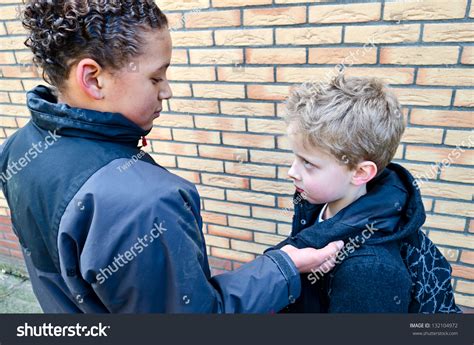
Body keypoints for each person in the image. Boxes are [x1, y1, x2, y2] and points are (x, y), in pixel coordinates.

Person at [0, 0, 343, 313]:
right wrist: (284, 267)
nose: (167, 90)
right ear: (93, 78)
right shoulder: (144, 203)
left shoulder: (18, 147)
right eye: (156, 77)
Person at [267, 75, 460, 313]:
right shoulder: (318, 202)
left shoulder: (369, 270)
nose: (291, 172)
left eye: (308, 163)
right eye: (295, 157)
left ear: (360, 172)